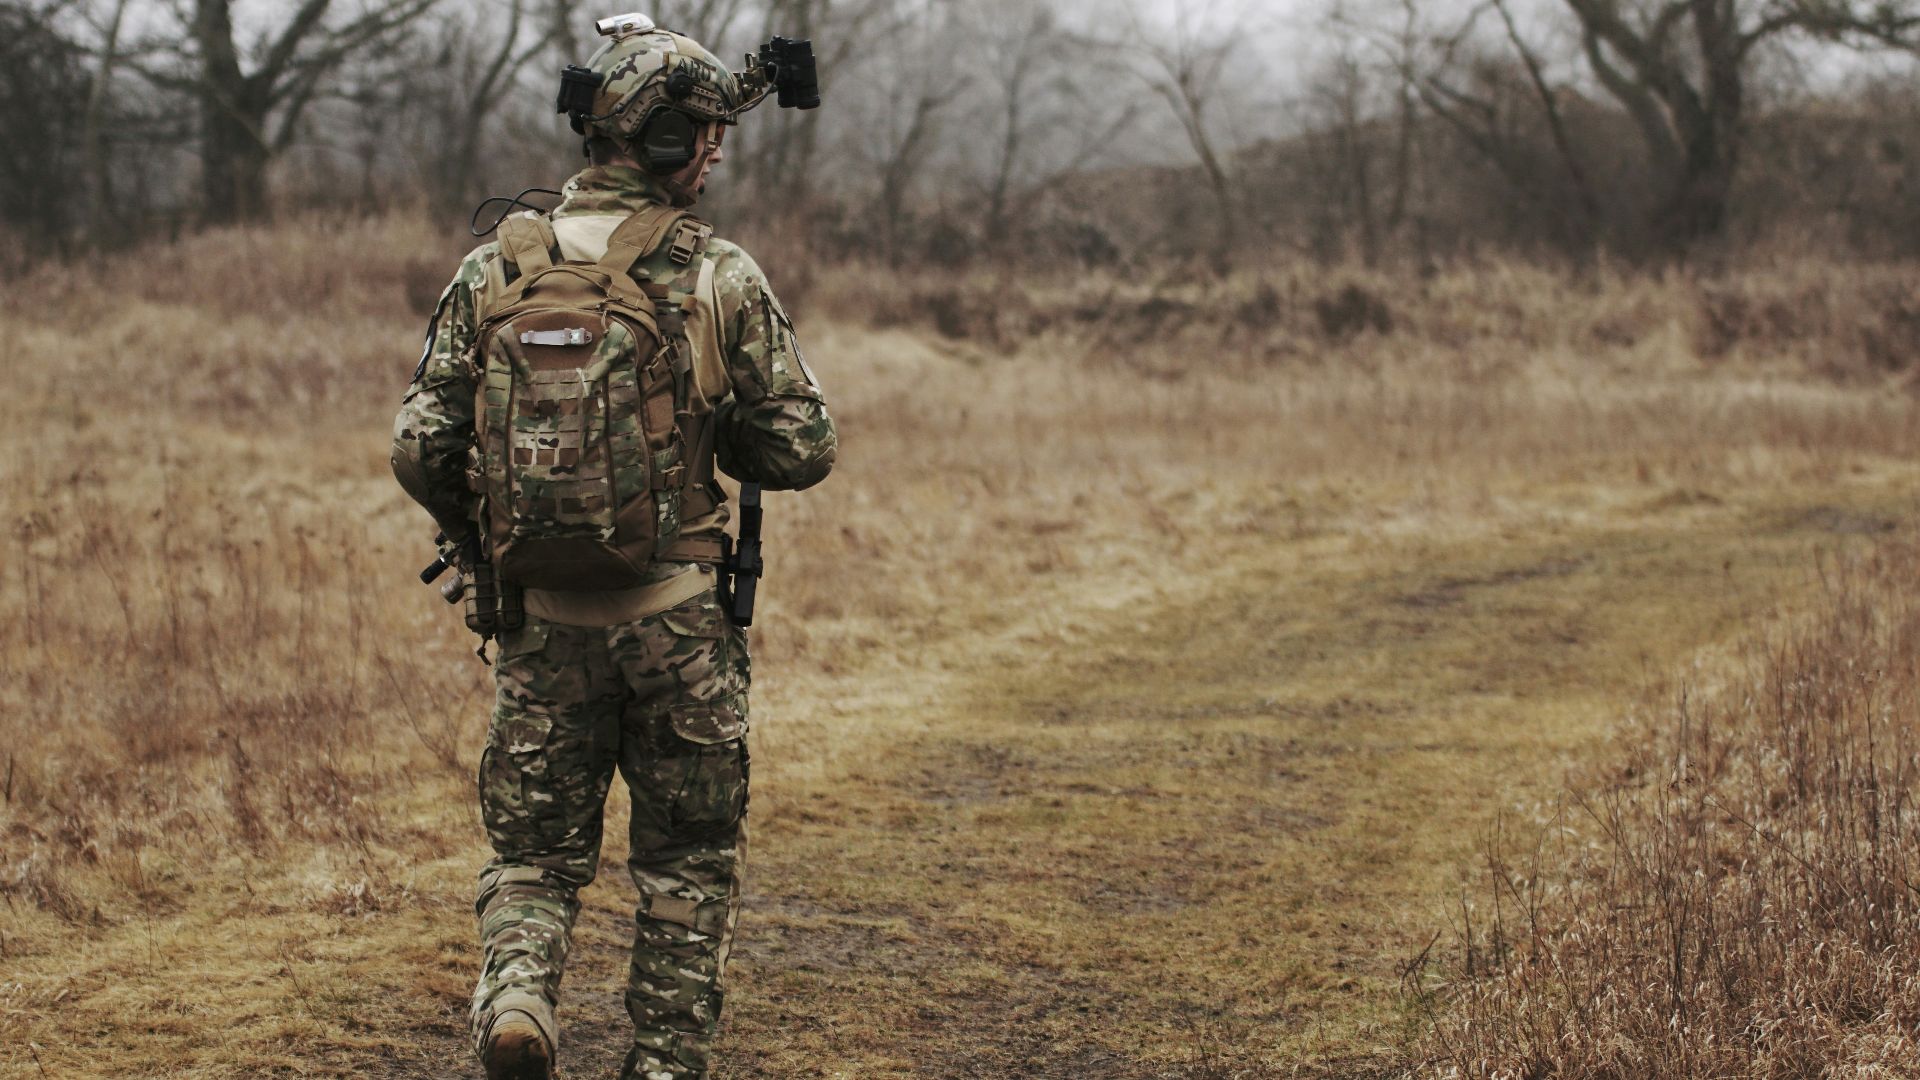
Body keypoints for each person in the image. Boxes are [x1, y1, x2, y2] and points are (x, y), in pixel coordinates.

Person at [389, 14, 836, 1080]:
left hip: (540, 622)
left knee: (534, 858)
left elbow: (417, 445)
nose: (715, 158)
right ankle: (666, 1065)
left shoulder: (497, 265)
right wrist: (711, 424)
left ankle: (519, 997)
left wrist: (483, 543)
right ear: (671, 142)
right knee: (686, 862)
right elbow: (804, 448)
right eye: (707, 139)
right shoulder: (718, 273)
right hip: (678, 620)